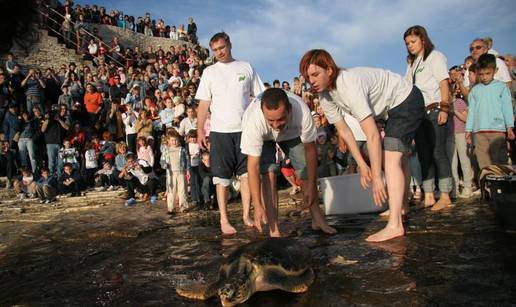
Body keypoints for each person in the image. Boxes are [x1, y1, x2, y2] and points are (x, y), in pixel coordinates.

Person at [299, 49, 425, 242]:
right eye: (308, 77)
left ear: (330, 70)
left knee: (391, 157)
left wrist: (376, 175)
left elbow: (372, 134)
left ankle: (395, 225)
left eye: (316, 74)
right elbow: (345, 132)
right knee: (400, 160)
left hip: (406, 99)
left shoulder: (347, 84)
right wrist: (363, 165)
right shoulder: (324, 96)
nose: (311, 81)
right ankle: (402, 207)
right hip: (390, 110)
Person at [241, 88, 337, 237]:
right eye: (271, 120)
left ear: (289, 110)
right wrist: (257, 204)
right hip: (264, 137)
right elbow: (253, 166)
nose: (275, 125)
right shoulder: (253, 120)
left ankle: (317, 219)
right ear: (262, 112)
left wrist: (312, 186)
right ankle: (274, 230)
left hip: (292, 133)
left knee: (304, 169)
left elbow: (310, 151)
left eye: (280, 119)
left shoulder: (301, 112)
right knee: (269, 173)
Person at [195, 32, 265, 235]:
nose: (219, 52)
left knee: (246, 175)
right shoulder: (209, 72)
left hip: (245, 129)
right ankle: (224, 219)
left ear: (229, 45)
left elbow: (259, 97)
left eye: (222, 48)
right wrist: (200, 130)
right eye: (215, 50)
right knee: (221, 177)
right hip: (220, 131)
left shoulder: (246, 67)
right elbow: (203, 104)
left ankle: (245, 215)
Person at [404, 25, 453, 211]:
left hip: (434, 109)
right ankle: (430, 194)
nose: (410, 46)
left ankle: (446, 195)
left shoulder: (435, 57)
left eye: (413, 41)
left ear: (423, 39)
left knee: (438, 152)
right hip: (418, 114)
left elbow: (443, 82)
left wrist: (445, 108)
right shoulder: (412, 63)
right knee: (424, 154)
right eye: (407, 43)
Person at [465, 54, 515, 169]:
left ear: (495, 70)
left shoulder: (501, 87)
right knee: (483, 162)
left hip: (497, 130)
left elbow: (507, 108)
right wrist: (468, 129)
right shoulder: (475, 90)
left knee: (499, 161)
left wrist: (509, 127)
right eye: (481, 74)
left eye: (488, 73)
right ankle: (487, 185)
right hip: (479, 131)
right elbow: (471, 111)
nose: (484, 77)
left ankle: (502, 185)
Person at [161, 132, 190, 214]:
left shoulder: (182, 149)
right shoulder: (166, 150)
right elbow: (162, 160)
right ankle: (171, 208)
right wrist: (164, 165)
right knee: (171, 190)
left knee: (182, 190)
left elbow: (187, 160)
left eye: (176, 140)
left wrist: (188, 170)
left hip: (181, 172)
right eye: (172, 140)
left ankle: (183, 207)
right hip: (171, 173)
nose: (174, 142)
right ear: (169, 141)